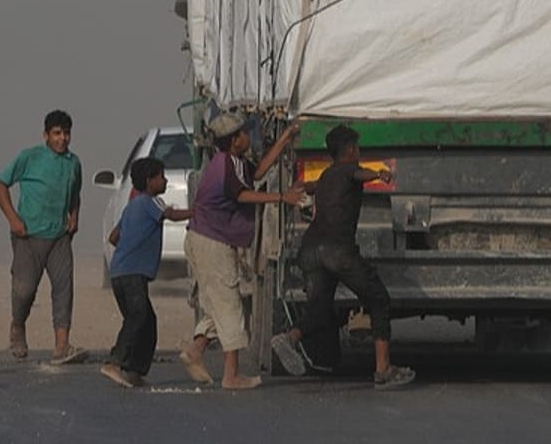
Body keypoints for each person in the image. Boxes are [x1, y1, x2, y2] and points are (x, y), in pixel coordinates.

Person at [269, 125, 415, 390]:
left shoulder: (326, 175)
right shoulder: (349, 169)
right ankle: (383, 370)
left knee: (320, 310)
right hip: (337, 252)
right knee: (379, 299)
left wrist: (303, 186)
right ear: (349, 150)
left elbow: (311, 186)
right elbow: (359, 174)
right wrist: (379, 174)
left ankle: (289, 338)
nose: (359, 152)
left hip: (310, 250)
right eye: (357, 148)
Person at [181, 112, 304, 391]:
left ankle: (195, 350)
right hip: (212, 240)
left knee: (217, 303)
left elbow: (258, 172)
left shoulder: (234, 162)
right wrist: (283, 198)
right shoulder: (226, 165)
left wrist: (285, 138)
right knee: (230, 304)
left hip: (206, 238)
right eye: (245, 133)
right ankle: (232, 375)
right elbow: (243, 195)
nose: (250, 136)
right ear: (235, 140)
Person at [0, 110, 87, 365]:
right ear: (46, 135)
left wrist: (74, 216)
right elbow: (0, 185)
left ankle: (62, 346)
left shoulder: (73, 163)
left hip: (59, 236)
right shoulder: (29, 157)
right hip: (28, 235)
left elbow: (76, 193)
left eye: (66, 133)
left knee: (64, 289)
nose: (63, 138)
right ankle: (18, 326)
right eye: (57, 133)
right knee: (24, 290)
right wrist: (13, 219)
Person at [100, 157, 193, 388]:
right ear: (149, 181)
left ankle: (135, 370)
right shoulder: (152, 202)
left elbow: (113, 237)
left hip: (119, 273)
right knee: (138, 316)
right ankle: (116, 361)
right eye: (161, 176)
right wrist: (197, 212)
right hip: (132, 273)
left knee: (147, 321)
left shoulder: (131, 206)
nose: (165, 180)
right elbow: (171, 214)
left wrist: (132, 245)